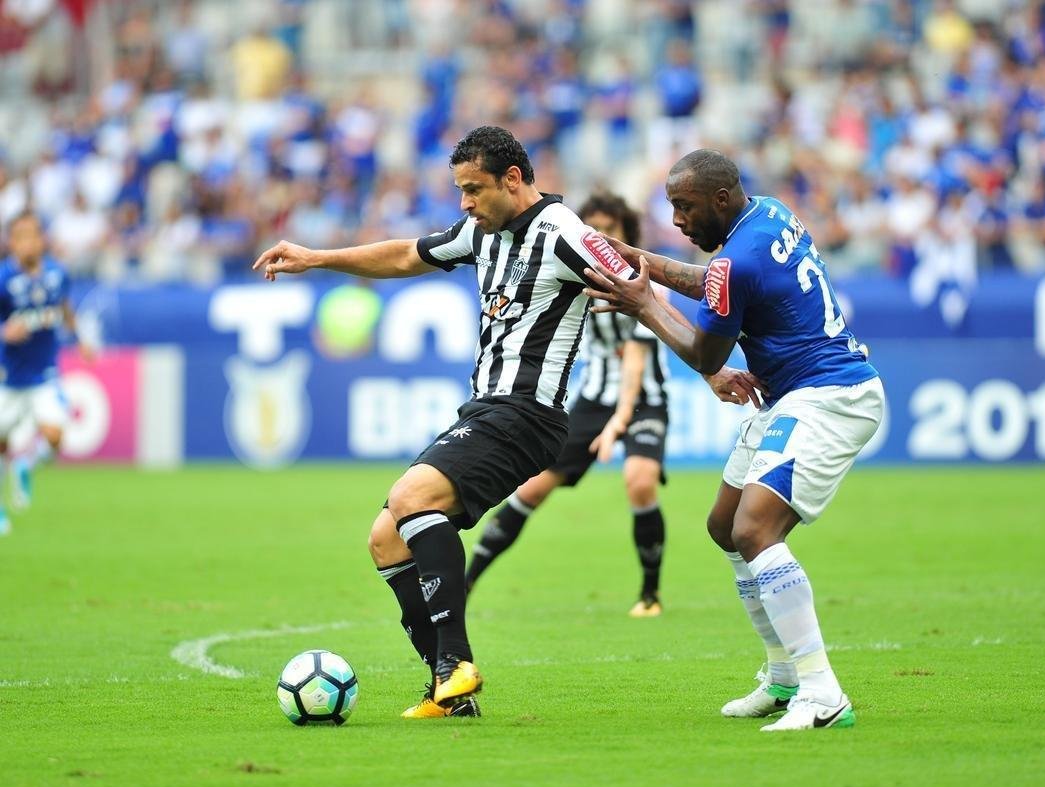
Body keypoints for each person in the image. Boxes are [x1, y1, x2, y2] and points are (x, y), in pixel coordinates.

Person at [252, 127, 763, 720]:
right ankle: (447, 694)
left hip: (527, 414)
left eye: (474, 190)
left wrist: (710, 371)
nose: (465, 203)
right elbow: (405, 254)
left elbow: (639, 294)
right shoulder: (480, 232)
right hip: (486, 410)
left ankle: (456, 663)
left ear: (513, 180)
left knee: (412, 496)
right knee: (386, 537)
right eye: (460, 191)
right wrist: (318, 258)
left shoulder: (566, 235)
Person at [584, 149, 884, 732]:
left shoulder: (732, 265)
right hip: (794, 393)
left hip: (831, 397)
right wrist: (640, 260)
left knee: (755, 529)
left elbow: (705, 354)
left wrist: (643, 303)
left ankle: (823, 692)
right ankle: (783, 678)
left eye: (684, 206)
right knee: (725, 526)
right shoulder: (768, 214)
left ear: (720, 199)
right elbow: (714, 284)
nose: (676, 220)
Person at [465, 191, 693, 616]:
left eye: (611, 231)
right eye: (594, 230)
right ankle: (467, 580)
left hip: (644, 398)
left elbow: (635, 366)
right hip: (592, 399)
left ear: (626, 236)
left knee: (639, 481)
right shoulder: (572, 269)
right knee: (531, 489)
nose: (601, 237)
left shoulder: (637, 286)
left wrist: (619, 422)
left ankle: (650, 594)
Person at [0, 212, 92, 535]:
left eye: (32, 235)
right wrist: (3, 332)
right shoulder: (3, 279)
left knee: (54, 435)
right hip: (8, 378)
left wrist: (80, 339)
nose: (27, 242)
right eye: (20, 236)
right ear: (11, 242)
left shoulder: (56, 273)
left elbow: (64, 307)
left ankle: (25, 463)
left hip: (43, 374)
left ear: (42, 240)